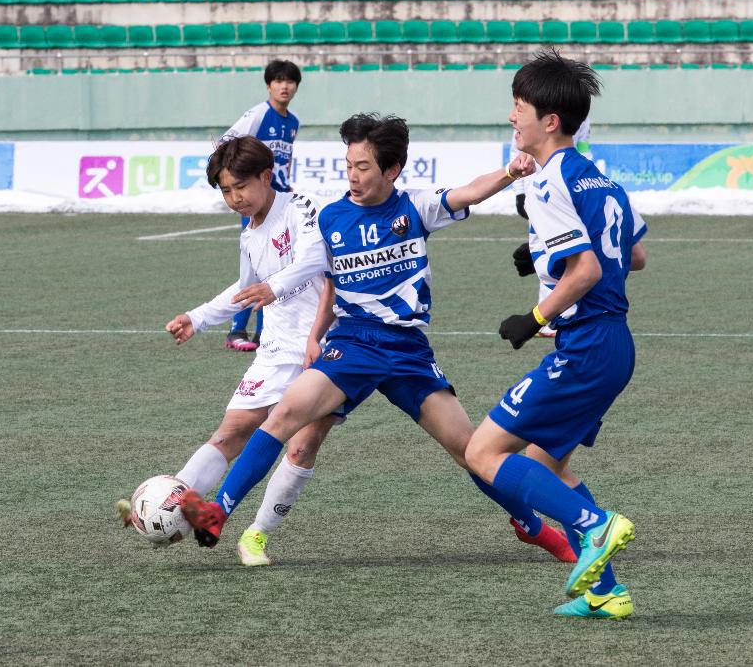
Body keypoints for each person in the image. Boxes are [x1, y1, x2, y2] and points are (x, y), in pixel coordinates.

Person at [179, 113, 576, 563]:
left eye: (363, 166)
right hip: (352, 343)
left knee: (471, 451)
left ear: (391, 170)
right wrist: (311, 328)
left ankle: (530, 524)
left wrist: (509, 172)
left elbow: (469, 190)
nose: (353, 175)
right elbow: (317, 272)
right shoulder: (330, 217)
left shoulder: (415, 207)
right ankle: (220, 512)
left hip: (406, 349)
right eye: (349, 165)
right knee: (285, 415)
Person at [464, 50, 647, 620]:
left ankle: (595, 525)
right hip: (615, 345)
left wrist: (535, 316)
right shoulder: (603, 179)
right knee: (551, 466)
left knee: (483, 452)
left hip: (586, 346)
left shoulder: (548, 183)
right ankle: (606, 591)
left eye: (518, 108)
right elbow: (633, 256)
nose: (511, 118)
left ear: (549, 121)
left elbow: (587, 270)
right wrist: (544, 252)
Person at [145, 135, 335, 566]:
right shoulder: (249, 234)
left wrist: (275, 287)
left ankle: (257, 535)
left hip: (323, 345)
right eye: (226, 191)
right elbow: (244, 289)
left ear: (266, 176)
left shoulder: (303, 207)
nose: (235, 198)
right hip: (273, 350)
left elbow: (314, 260)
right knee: (229, 433)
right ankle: (170, 508)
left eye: (240, 187)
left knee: (303, 444)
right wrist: (197, 317)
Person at [219, 59, 302, 352]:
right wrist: (238, 181)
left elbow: (283, 158)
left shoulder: (292, 122)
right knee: (257, 268)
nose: (284, 86)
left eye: (290, 81)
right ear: (268, 85)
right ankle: (236, 330)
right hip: (257, 203)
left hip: (279, 201)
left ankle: (264, 333)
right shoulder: (258, 114)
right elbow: (225, 141)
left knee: (278, 267)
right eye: (278, 81)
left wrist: (286, 181)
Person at [511, 116, 594, 338]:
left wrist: (587, 170)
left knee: (566, 248)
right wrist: (519, 191)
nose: (513, 116)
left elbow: (584, 144)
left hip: (567, 182)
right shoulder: (532, 109)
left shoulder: (579, 111)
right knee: (547, 249)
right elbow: (517, 151)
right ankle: (552, 315)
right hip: (537, 186)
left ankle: (557, 313)